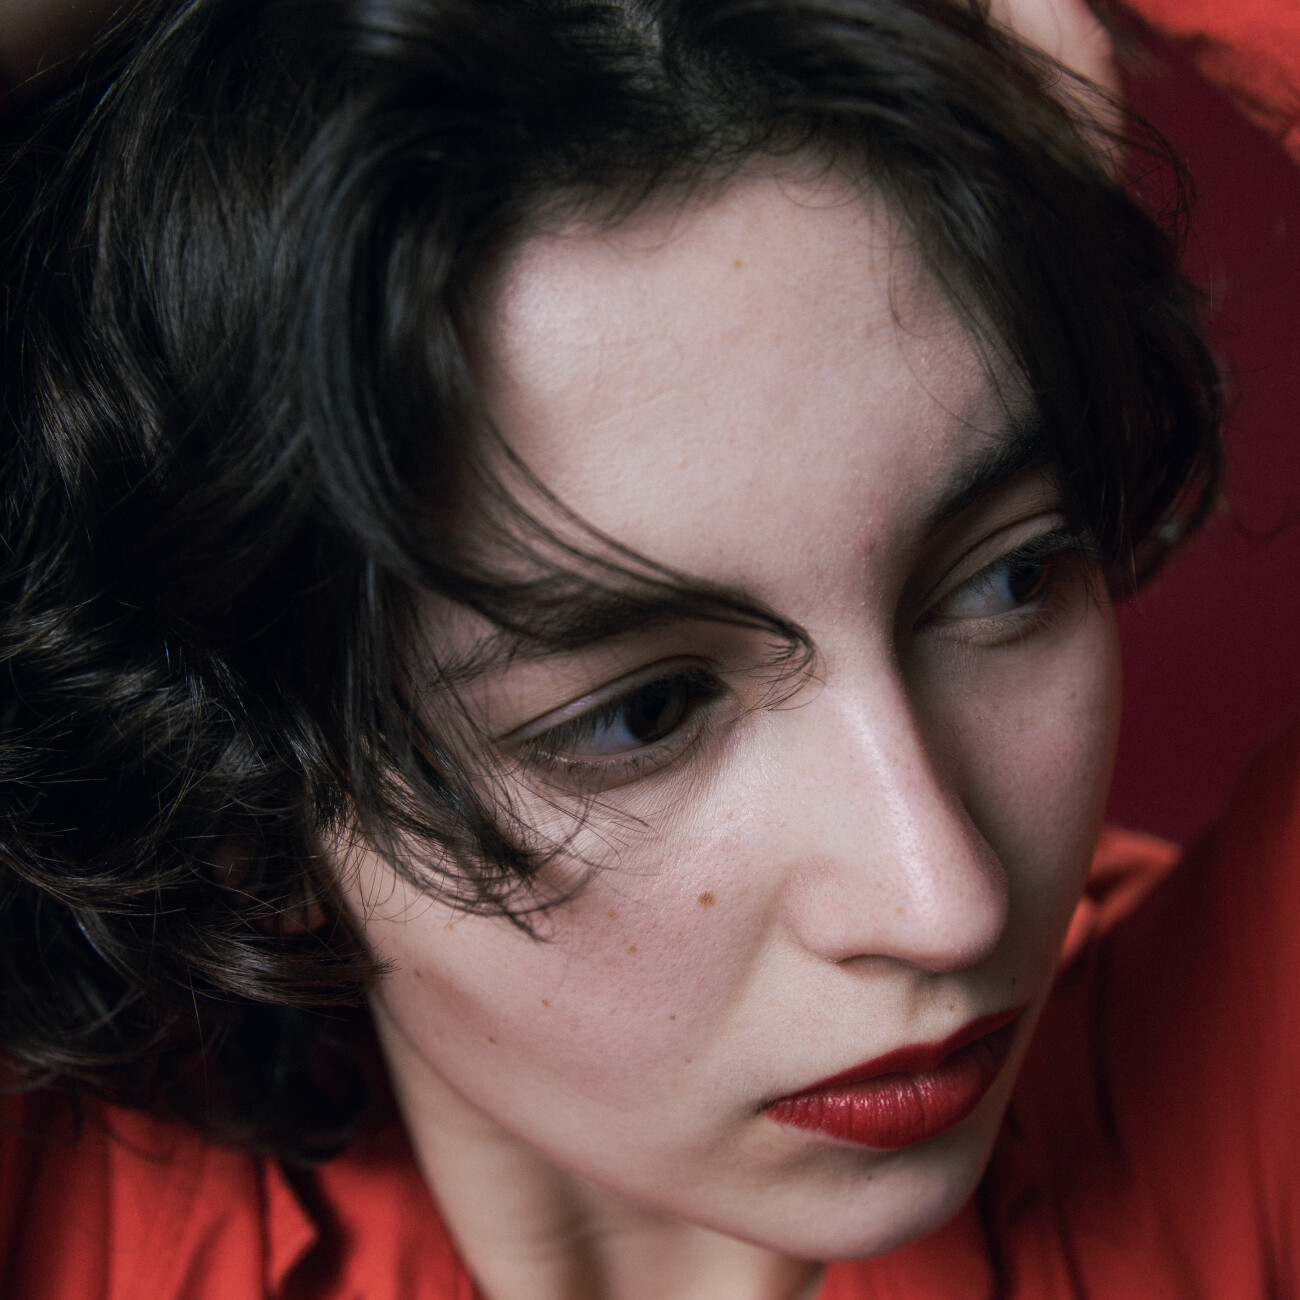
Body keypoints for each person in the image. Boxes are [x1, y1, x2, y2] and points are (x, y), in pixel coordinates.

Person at [0, 0, 1292, 1297]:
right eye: (647, 711)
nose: (947, 902)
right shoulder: (70, 1217)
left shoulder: (1238, 1102)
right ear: (246, 814)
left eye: (1011, 578)